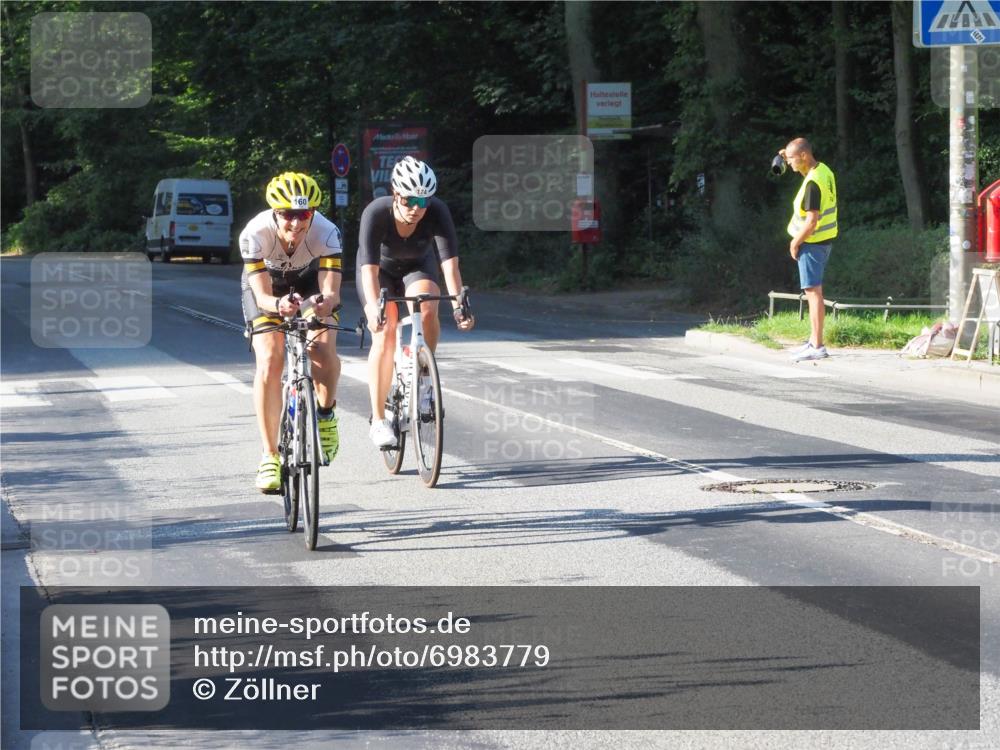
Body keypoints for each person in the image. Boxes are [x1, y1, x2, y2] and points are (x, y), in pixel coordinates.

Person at [356, 156, 474, 447]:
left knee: (428, 306)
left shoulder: (436, 212)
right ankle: (379, 418)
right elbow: (368, 271)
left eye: (423, 203)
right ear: (396, 194)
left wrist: (459, 306)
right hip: (379, 272)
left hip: (416, 266)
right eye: (409, 201)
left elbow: (450, 265)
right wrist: (373, 309)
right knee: (385, 330)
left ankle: (423, 379)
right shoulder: (376, 213)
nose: (416, 209)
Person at [239, 172, 343, 492]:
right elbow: (261, 297)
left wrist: (321, 304)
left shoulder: (327, 232)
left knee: (322, 348)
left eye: (304, 214)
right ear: (275, 213)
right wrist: (279, 304)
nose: (296, 224)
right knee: (270, 358)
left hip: (310, 287)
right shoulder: (255, 233)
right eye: (288, 215)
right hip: (269, 290)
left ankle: (325, 414)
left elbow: (332, 293)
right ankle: (269, 455)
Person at [779, 137, 838, 362]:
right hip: (823, 240)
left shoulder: (813, 183)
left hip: (812, 242)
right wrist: (788, 154)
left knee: (813, 293)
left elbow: (812, 221)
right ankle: (813, 340)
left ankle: (817, 345)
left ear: (804, 156)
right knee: (813, 292)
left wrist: (795, 242)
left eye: (792, 159)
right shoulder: (823, 171)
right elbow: (808, 177)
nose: (789, 164)